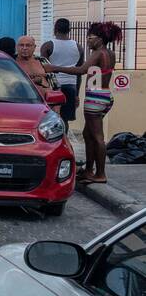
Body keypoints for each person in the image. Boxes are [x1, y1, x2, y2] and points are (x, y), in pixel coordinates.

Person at [48, 21, 121, 184]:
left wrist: (54, 68)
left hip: (95, 97)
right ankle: (89, 170)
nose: (88, 40)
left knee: (97, 137)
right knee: (88, 135)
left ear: (100, 39)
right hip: (105, 96)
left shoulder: (98, 53)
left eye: (91, 37)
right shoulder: (109, 53)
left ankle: (100, 174)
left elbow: (81, 70)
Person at [41, 17, 82, 124]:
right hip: (71, 85)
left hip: (53, 85)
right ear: (69, 30)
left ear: (55, 29)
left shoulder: (48, 45)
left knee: (50, 117)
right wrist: (77, 94)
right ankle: (64, 138)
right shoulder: (78, 47)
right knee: (65, 120)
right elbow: (79, 72)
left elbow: (43, 69)